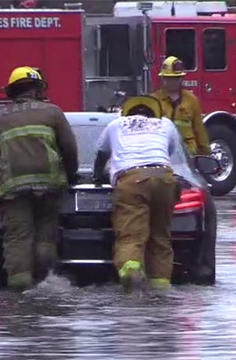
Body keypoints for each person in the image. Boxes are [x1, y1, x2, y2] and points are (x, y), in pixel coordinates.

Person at [0, 66, 78, 291]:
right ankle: (44, 280)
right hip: (48, 185)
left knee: (18, 237)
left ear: (12, 91)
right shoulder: (53, 113)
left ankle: (20, 286)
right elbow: (68, 148)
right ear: (38, 89)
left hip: (13, 187)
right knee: (46, 235)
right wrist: (71, 173)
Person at [93, 95, 180, 292]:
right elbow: (170, 152)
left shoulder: (117, 125)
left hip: (133, 175)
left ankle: (131, 273)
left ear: (127, 112)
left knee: (131, 235)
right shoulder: (165, 124)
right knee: (160, 236)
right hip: (162, 174)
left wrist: (98, 176)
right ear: (153, 112)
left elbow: (101, 155)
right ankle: (160, 287)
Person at [151, 56, 211, 156]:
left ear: (181, 78)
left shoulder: (191, 100)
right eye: (169, 78)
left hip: (188, 153)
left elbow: (199, 129)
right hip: (163, 152)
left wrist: (206, 153)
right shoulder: (154, 100)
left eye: (176, 78)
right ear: (163, 78)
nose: (172, 81)